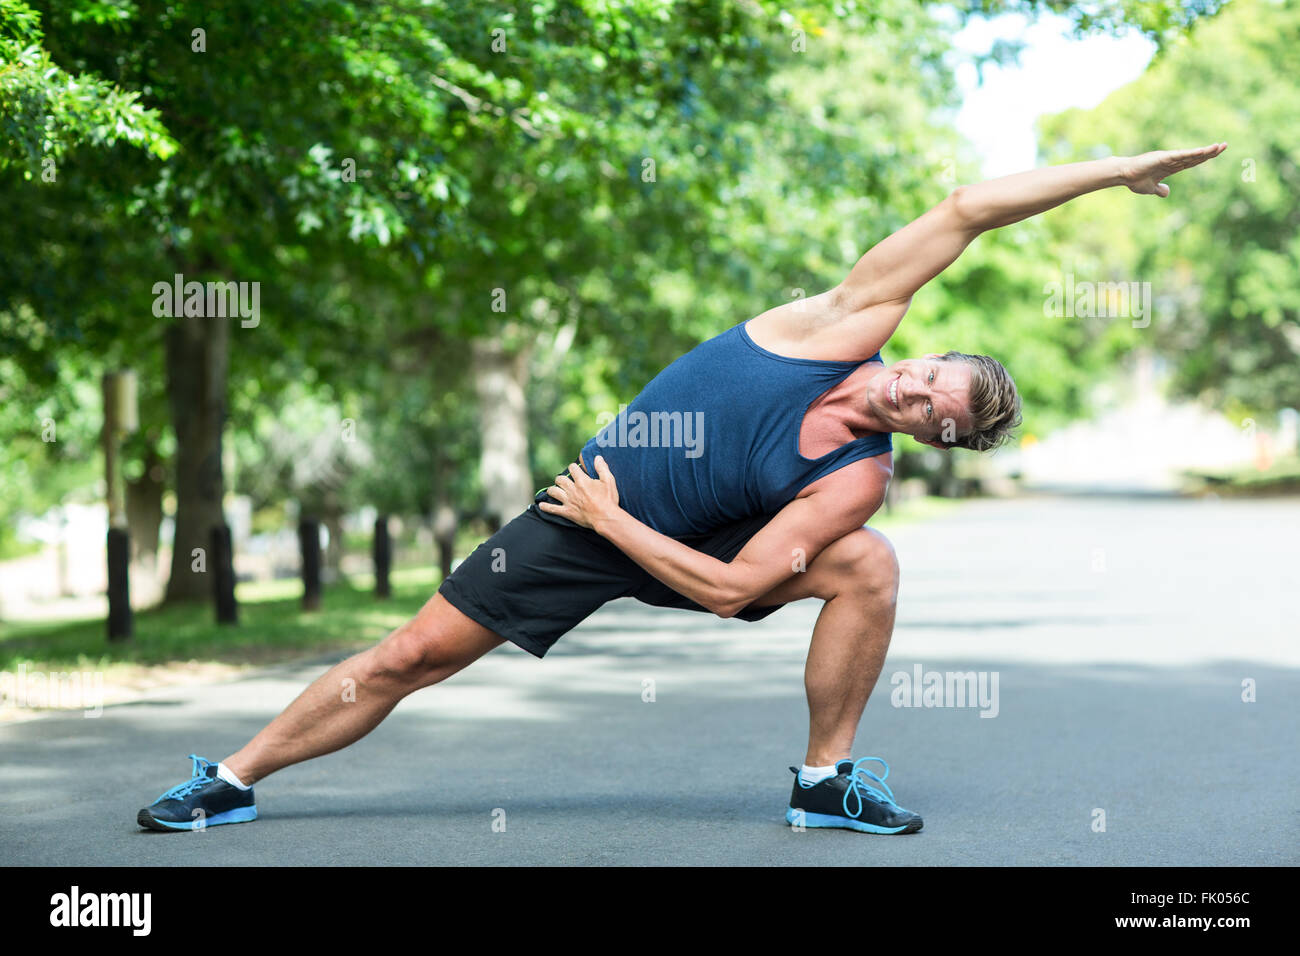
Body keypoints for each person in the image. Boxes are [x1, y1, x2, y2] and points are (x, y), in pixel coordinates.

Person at [139, 144, 1227, 835]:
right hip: (581, 522)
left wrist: (621, 521)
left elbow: (726, 591)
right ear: (922, 352)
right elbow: (964, 210)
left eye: (933, 408)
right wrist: (1112, 166)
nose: (913, 387)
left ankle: (823, 780)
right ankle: (230, 777)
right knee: (407, 655)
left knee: (868, 566)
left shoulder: (853, 482)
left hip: (690, 548)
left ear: (937, 437)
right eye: (930, 370)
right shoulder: (840, 323)